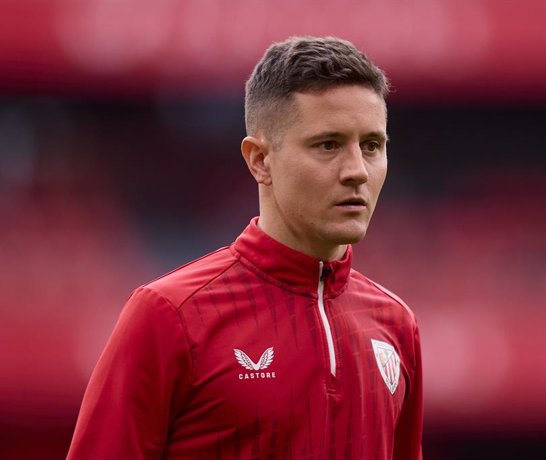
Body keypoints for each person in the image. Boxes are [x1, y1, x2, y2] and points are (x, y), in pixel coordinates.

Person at [67, 36, 423, 459]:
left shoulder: (396, 325)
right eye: (327, 145)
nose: (357, 172)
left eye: (371, 146)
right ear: (259, 160)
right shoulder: (170, 316)